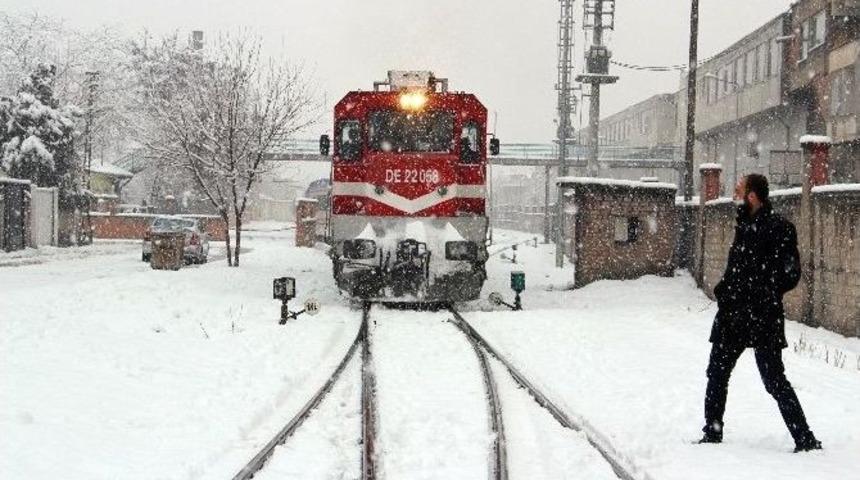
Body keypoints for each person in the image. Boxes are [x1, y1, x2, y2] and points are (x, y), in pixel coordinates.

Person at [699, 173, 822, 453]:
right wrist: (725, 290)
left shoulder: (780, 228)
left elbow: (791, 274)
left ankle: (804, 438)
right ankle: (712, 432)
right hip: (733, 316)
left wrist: (761, 291)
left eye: (739, 189)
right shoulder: (742, 226)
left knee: (774, 380)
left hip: (762, 317)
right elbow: (737, 270)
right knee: (717, 373)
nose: (734, 193)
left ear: (752, 196)